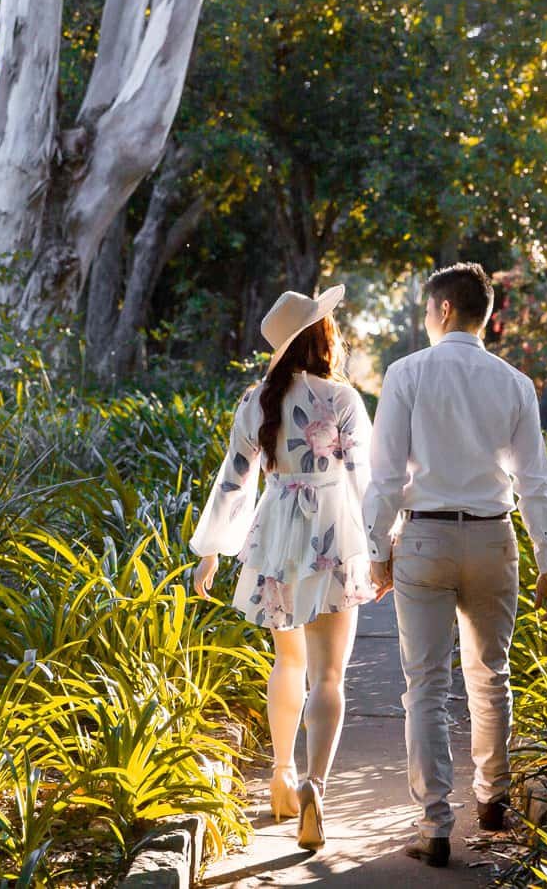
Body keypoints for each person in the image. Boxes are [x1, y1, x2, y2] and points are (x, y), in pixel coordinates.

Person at [364, 262, 547, 868]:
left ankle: (434, 826)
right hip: (492, 540)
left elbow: (385, 478)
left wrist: (377, 550)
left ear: (444, 310)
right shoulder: (515, 384)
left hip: (423, 539)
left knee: (425, 684)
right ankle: (493, 799)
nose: (426, 319)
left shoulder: (406, 374)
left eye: (428, 309)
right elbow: (533, 482)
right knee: (490, 674)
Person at [190, 284, 378, 852]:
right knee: (329, 674)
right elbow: (366, 483)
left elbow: (232, 482)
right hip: (331, 536)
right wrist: (381, 550)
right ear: (322, 337)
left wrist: (211, 550)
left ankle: (280, 774)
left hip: (275, 536)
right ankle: (316, 786)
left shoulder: (255, 401)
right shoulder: (341, 400)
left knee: (287, 661)